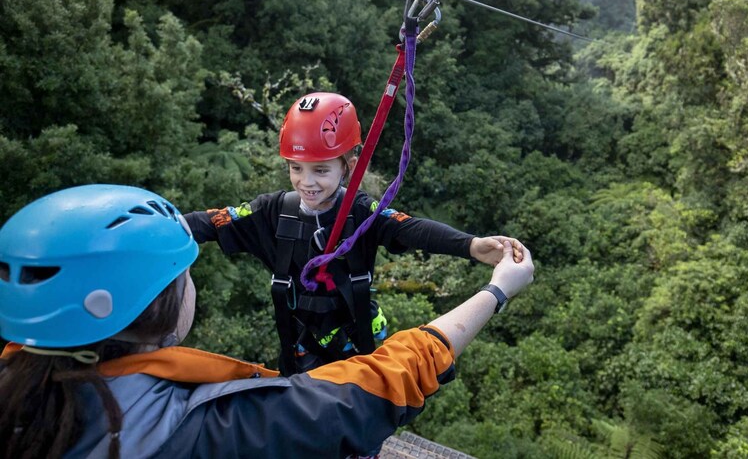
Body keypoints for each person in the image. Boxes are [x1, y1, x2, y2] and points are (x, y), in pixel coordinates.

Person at [0, 184, 534, 459]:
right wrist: (497, 293)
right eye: (183, 274)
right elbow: (370, 390)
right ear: (155, 307)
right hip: (310, 350)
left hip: (336, 339)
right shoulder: (208, 428)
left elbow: (406, 227)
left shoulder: (21, 381)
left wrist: (468, 246)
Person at [184, 91, 526, 375]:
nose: (306, 182)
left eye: (320, 169)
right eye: (296, 168)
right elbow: (212, 222)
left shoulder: (362, 213)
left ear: (349, 165)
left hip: (355, 353)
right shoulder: (271, 212)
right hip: (299, 354)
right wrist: (159, 225)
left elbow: (411, 228)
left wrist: (471, 246)